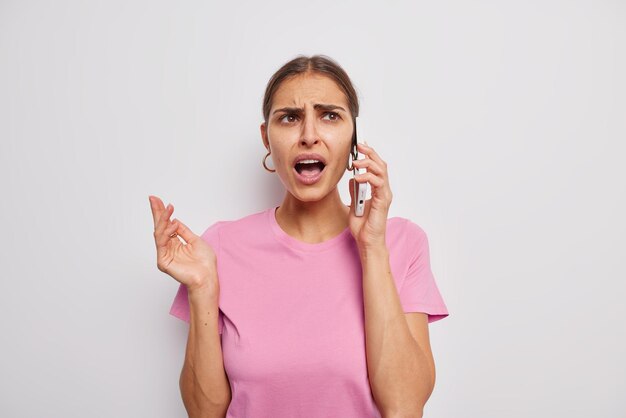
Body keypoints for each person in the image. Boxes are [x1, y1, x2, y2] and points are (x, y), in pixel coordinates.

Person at [149, 54, 449, 418]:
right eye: (289, 118)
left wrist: (372, 249)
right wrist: (201, 290)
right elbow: (204, 413)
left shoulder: (403, 242)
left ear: (354, 136)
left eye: (330, 116)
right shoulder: (220, 247)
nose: (309, 136)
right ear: (266, 137)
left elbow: (405, 405)